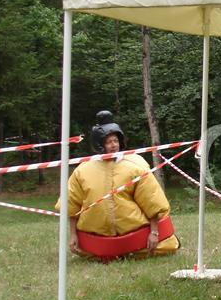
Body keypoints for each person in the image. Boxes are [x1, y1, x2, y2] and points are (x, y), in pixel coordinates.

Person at [60, 111, 179, 261]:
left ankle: (130, 249)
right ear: (99, 144)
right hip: (96, 242)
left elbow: (152, 202)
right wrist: (73, 235)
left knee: (161, 247)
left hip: (136, 236)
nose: (113, 145)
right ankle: (105, 252)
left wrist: (154, 232)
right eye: (108, 142)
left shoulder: (135, 166)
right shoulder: (83, 171)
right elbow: (71, 206)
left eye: (115, 141)